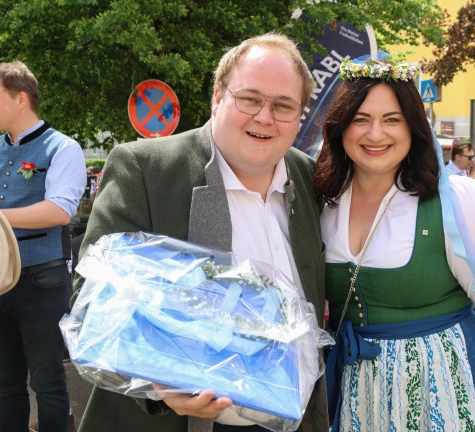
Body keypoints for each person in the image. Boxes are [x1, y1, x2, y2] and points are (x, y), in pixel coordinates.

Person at [73, 33, 328, 432]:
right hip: (178, 423)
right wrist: (159, 387)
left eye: (283, 106)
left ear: (299, 117)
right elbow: (88, 300)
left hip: (292, 418)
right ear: (218, 97)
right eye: (250, 98)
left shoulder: (309, 177)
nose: (264, 116)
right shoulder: (145, 168)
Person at [315, 58, 475, 431]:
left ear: (414, 127)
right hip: (355, 396)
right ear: (340, 126)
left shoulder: (458, 200)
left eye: (392, 119)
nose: (375, 134)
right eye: (361, 119)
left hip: (443, 391)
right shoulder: (322, 199)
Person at [0, 61, 86, 432]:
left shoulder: (64, 147)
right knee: (6, 385)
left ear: (20, 98)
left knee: (47, 384)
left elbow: (60, 210)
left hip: (42, 282)